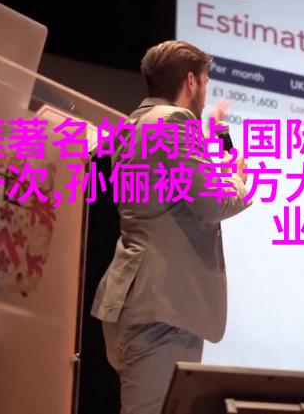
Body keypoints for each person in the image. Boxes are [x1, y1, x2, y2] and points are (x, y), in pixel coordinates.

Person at [91, 40, 251, 414]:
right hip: (164, 306)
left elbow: (184, 184)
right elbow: (214, 201)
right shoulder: (174, 123)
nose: (205, 95)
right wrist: (240, 180)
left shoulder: (133, 126)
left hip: (142, 299)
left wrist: (221, 138)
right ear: (191, 81)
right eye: (206, 83)